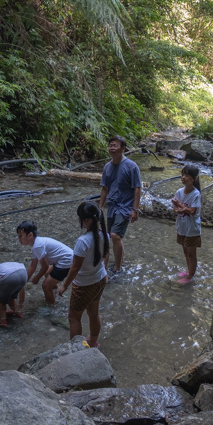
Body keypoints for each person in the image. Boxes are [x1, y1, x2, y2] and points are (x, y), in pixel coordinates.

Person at [57, 202, 109, 347]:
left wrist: (64, 286)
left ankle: (75, 349)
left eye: (80, 218)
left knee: (73, 316)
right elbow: (106, 255)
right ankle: (92, 341)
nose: (78, 220)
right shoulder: (104, 234)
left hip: (85, 284)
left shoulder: (82, 241)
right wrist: (104, 272)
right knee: (93, 312)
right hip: (100, 279)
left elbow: (75, 267)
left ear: (86, 220)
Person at [99, 135, 142, 273]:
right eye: (110, 145)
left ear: (123, 149)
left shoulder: (131, 166)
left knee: (115, 235)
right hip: (112, 206)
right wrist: (99, 208)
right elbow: (105, 188)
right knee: (107, 236)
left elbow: (137, 188)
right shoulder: (107, 166)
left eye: (115, 145)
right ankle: (105, 266)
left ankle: (118, 267)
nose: (112, 148)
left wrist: (135, 209)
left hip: (126, 206)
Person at [16, 221, 74, 306]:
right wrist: (24, 281)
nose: (19, 238)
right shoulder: (36, 245)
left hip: (66, 261)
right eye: (18, 236)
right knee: (47, 275)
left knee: (45, 286)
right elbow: (33, 266)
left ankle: (52, 307)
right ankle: (55, 295)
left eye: (21, 236)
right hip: (65, 259)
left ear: (30, 235)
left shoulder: (37, 246)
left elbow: (45, 266)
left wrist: (37, 277)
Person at [171, 165, 202, 284]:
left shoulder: (196, 194)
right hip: (182, 226)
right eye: (182, 174)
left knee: (191, 253)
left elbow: (192, 211)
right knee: (185, 251)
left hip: (192, 228)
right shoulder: (179, 191)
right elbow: (175, 208)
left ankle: (190, 276)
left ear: (193, 179)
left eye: (187, 175)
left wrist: (179, 206)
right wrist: (177, 209)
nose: (183, 177)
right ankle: (189, 270)